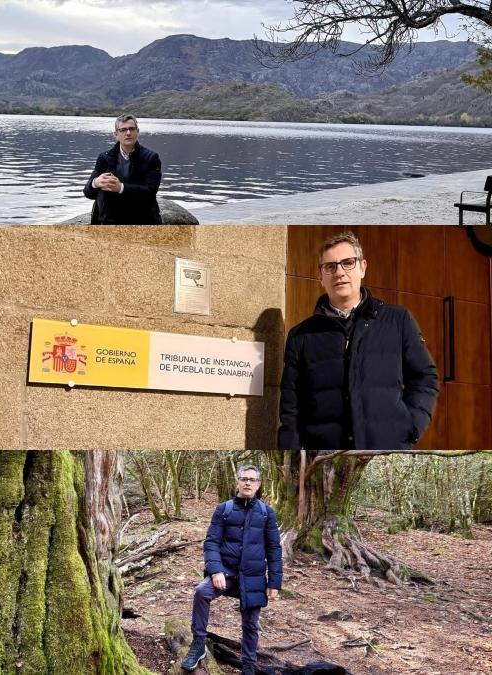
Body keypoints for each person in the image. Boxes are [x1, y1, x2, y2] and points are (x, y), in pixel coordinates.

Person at [278, 231, 439, 450]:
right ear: (321, 277)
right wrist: (292, 454)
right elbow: (291, 406)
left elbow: (425, 377)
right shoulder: (301, 336)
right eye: (330, 266)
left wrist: (410, 426)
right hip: (325, 453)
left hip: (385, 448)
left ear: (363, 267)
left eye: (348, 263)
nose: (339, 272)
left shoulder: (398, 321)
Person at [181, 465, 282, 675]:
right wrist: (215, 570)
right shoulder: (223, 510)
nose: (247, 483)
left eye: (252, 480)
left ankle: (248, 666)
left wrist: (274, 582)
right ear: (237, 482)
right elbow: (211, 543)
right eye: (244, 479)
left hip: (253, 577)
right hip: (225, 573)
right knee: (202, 592)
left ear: (258, 484)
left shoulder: (266, 513)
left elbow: (274, 548)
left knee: (251, 624)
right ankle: (198, 644)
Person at [82, 114, 162, 224]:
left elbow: (151, 191)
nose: (128, 133)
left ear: (137, 132)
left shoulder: (151, 158)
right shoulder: (104, 158)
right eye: (123, 130)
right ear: (116, 134)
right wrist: (96, 183)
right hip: (108, 223)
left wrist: (121, 187)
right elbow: (88, 193)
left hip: (141, 221)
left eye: (131, 129)